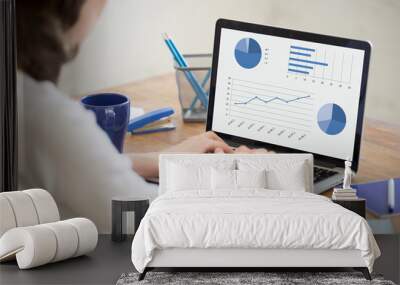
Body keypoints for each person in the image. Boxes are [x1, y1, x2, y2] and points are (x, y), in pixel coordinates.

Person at [16, 0, 267, 233]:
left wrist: (163, 159)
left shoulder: (20, 93)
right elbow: (143, 218)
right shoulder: (45, 116)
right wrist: (236, 179)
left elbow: (73, 164)